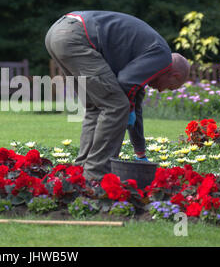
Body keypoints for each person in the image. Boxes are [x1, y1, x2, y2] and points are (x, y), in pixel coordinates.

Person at [45, 11, 190, 181]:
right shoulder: (162, 57)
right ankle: (96, 176)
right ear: (175, 76)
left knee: (96, 107)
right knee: (116, 106)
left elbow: (135, 101)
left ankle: (81, 173)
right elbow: (126, 83)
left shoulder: (147, 55)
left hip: (57, 33)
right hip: (78, 38)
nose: (161, 91)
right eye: (170, 87)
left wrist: (140, 152)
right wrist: (127, 109)